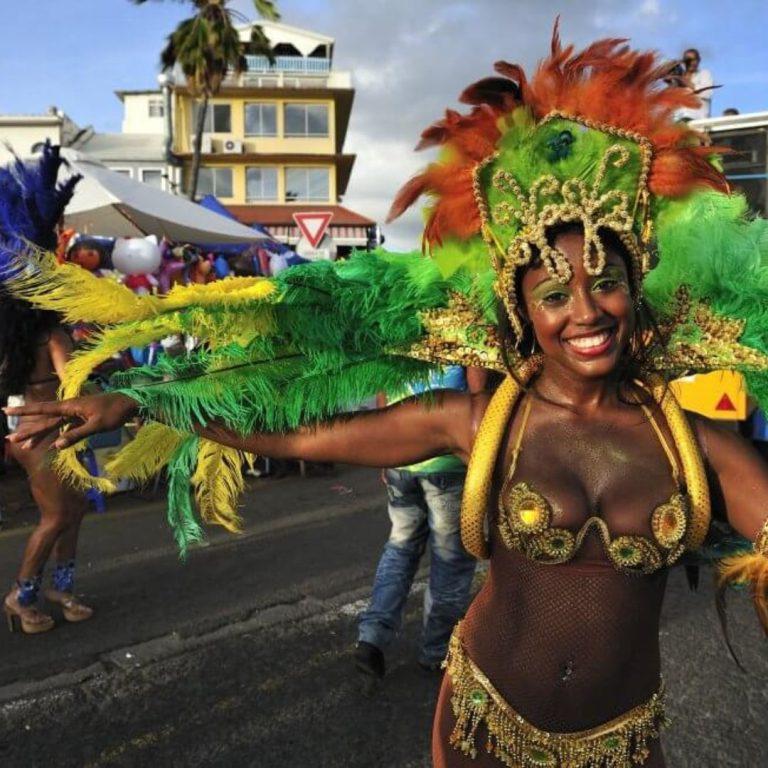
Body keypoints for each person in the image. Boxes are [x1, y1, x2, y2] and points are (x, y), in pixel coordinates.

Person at [5, 29, 768, 767]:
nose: (586, 312)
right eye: (554, 295)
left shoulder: (696, 446)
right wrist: (144, 400)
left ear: (636, 292)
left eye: (606, 283)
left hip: (620, 745)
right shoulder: (479, 422)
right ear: (522, 312)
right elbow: (303, 436)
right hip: (484, 727)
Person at [355, 366, 484, 678]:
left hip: (401, 462)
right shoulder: (462, 340)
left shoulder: (396, 338)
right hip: (446, 465)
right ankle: (437, 651)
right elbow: (478, 402)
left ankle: (371, 639)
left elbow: (383, 400)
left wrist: (386, 455)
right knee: (450, 560)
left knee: (400, 547)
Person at [1, 296, 93, 634]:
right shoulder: (53, 337)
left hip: (28, 433)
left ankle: (61, 588)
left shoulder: (15, 340)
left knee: (75, 507)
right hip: (47, 437)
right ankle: (20, 596)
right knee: (56, 516)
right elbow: (74, 389)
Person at [677, 47, 714, 120]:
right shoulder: (679, 77)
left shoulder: (704, 74)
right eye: (688, 60)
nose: (691, 63)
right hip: (679, 118)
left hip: (698, 120)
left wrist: (689, 83)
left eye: (694, 59)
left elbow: (708, 93)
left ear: (699, 60)